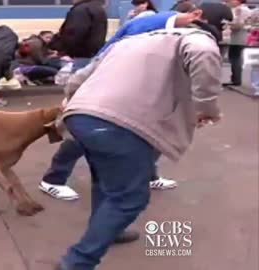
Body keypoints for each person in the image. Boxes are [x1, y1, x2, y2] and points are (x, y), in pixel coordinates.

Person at [55, 26, 223, 270]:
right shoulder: (196, 38)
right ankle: (77, 262)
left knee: (105, 180)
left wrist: (74, 103)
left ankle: (111, 230)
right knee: (129, 197)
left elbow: (78, 79)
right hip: (120, 123)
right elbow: (203, 51)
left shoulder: (127, 42)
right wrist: (207, 108)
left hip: (80, 117)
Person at [39, 9, 205, 201]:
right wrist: (72, 98)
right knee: (85, 133)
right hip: (106, 94)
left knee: (154, 134)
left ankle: (148, 175)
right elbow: (86, 73)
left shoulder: (174, 42)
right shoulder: (131, 39)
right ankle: (53, 179)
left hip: (144, 96)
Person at [50, 0, 108, 72]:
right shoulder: (98, 9)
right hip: (94, 54)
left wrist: (64, 50)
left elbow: (74, 33)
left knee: (78, 80)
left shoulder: (81, 10)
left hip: (81, 55)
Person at [226, 0, 252, 86]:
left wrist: (228, 24)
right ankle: (235, 78)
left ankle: (236, 79)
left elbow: (238, 24)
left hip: (238, 37)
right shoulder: (243, 9)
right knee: (235, 57)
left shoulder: (241, 10)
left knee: (235, 57)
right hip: (239, 36)